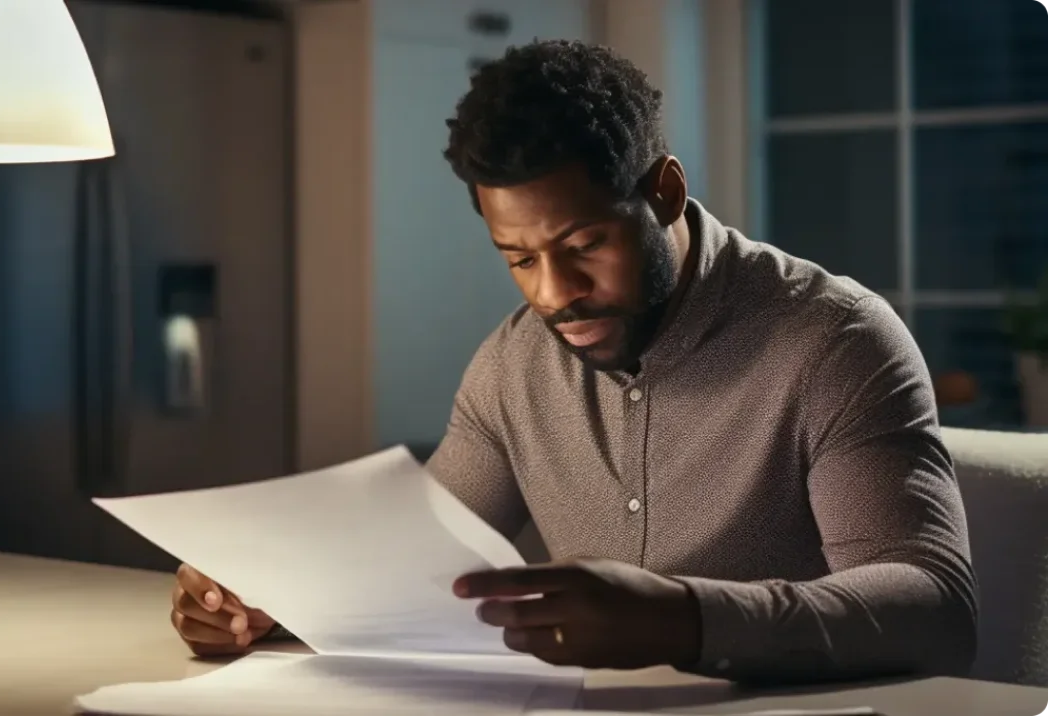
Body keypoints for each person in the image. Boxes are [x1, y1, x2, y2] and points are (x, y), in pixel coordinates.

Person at [169, 39, 977, 682]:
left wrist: (682, 617)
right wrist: (266, 597)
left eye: (585, 244)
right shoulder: (511, 366)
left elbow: (935, 610)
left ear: (663, 191)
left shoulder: (836, 342)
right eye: (518, 258)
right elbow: (414, 568)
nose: (556, 294)